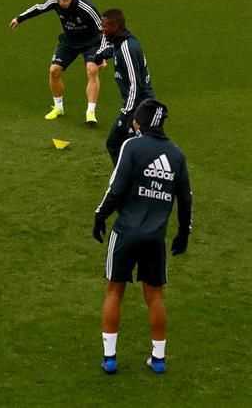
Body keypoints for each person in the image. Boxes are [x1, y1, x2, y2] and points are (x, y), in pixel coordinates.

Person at [92, 98, 193, 375]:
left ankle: (110, 358)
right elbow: (185, 199)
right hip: (155, 238)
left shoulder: (132, 146)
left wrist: (100, 215)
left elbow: (116, 188)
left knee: (114, 291)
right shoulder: (176, 155)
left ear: (141, 122)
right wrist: (183, 233)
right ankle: (158, 359)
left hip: (125, 232)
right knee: (155, 296)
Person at [9, 0, 105, 124]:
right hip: (70, 41)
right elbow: (39, 7)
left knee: (92, 70)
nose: (62, 3)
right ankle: (58, 107)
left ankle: (90, 112)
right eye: (59, 0)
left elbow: (103, 30)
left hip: (91, 42)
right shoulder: (55, 2)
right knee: (54, 70)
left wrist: (103, 54)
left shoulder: (86, 8)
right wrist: (19, 18)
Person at [95, 8, 156, 165]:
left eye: (104, 26)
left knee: (118, 144)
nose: (102, 29)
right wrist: (100, 56)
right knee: (119, 145)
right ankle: (127, 177)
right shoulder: (122, 42)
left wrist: (127, 114)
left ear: (115, 26)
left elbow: (135, 85)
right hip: (138, 106)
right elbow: (114, 50)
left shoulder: (127, 48)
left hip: (141, 108)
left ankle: (128, 177)